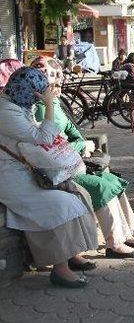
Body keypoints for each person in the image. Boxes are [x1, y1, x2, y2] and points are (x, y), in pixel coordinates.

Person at [31, 56, 134, 259]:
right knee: (100, 186)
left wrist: (81, 144)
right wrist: (81, 145)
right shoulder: (43, 108)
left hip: (71, 162)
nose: (59, 83)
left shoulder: (54, 103)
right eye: (55, 79)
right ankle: (114, 242)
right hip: (58, 170)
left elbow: (71, 131)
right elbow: (49, 145)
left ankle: (129, 232)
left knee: (112, 180)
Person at [0, 67, 98, 288]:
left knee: (76, 194)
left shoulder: (17, 105)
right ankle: (60, 268)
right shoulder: (5, 111)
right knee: (59, 205)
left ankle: (72, 254)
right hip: (10, 179)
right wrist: (51, 105)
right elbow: (43, 136)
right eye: (38, 92)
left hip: (24, 172)